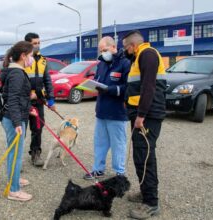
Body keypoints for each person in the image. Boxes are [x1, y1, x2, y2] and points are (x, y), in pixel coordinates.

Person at [122, 30, 167, 219]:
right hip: (141, 115)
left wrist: (141, 115)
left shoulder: (147, 55)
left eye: (125, 47)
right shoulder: (139, 56)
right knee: (140, 156)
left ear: (132, 46)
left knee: (146, 157)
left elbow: (148, 87)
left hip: (147, 117)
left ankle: (151, 203)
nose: (124, 51)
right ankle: (145, 192)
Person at [84, 36, 131, 180]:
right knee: (100, 143)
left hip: (117, 112)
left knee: (118, 144)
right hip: (102, 110)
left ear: (113, 47)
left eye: (105, 50)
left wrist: (110, 90)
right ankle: (98, 169)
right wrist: (93, 84)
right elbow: (98, 80)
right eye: (101, 50)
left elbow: (128, 87)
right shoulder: (102, 63)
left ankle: (119, 172)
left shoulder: (125, 63)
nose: (103, 52)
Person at [0, 41, 37, 202]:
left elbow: (18, 97)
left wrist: (28, 108)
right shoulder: (16, 73)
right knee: (16, 155)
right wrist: (17, 123)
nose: (32, 58)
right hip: (14, 120)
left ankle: (13, 180)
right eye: (31, 55)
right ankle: (14, 190)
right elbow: (13, 99)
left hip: (15, 116)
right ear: (23, 56)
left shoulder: (16, 71)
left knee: (14, 153)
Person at [24, 32, 56, 167]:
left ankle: (35, 153)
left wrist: (51, 99)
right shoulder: (22, 60)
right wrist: (28, 94)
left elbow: (47, 81)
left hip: (38, 102)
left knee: (37, 129)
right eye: (34, 44)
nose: (37, 46)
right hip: (24, 102)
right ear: (27, 45)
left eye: (38, 43)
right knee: (20, 130)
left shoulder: (43, 60)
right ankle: (16, 161)